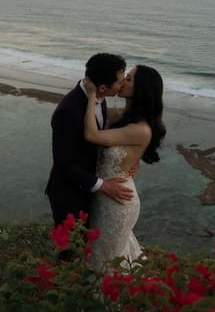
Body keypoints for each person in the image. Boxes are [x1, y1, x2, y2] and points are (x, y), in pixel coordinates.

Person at [83, 65, 166, 269]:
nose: (122, 81)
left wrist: (93, 93)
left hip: (118, 201)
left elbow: (92, 135)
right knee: (97, 253)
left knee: (108, 260)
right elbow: (93, 116)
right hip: (103, 194)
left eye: (128, 79)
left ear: (141, 90)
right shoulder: (120, 116)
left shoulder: (141, 129)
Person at [45, 53, 135, 229]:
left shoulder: (95, 97)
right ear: (102, 88)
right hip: (69, 193)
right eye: (119, 81)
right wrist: (104, 186)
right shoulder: (68, 112)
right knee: (71, 249)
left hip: (88, 187)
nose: (122, 84)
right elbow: (64, 164)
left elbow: (97, 137)